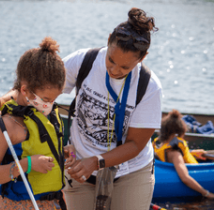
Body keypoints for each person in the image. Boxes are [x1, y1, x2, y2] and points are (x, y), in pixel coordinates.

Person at [61, 7, 162, 210]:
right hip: (79, 166)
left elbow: (135, 144)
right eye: (111, 61)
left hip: (131, 172)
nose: (115, 70)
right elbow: (43, 88)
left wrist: (96, 162)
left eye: (125, 68)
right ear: (108, 40)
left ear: (142, 58)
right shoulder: (84, 61)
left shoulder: (150, 87)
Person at [0, 37, 75, 210]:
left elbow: (39, 146)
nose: (50, 104)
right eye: (46, 99)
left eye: (55, 99)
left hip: (53, 203)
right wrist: (27, 165)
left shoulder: (48, 113)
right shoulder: (9, 125)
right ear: (25, 90)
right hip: (18, 204)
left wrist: (61, 152)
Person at [152, 109, 214, 199]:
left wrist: (192, 153)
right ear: (179, 134)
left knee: (212, 154)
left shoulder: (161, 144)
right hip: (195, 174)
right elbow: (185, 178)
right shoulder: (175, 153)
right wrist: (206, 193)